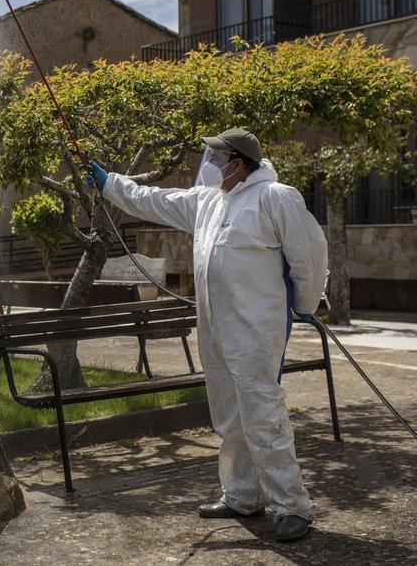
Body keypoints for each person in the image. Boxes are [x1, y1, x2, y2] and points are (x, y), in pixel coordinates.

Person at [86, 128, 327, 542]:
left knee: (261, 413)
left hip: (255, 328)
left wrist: (304, 305)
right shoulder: (207, 202)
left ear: (239, 163)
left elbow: (309, 255)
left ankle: (292, 506)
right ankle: (241, 495)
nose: (209, 165)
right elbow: (153, 200)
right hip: (215, 326)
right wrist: (111, 183)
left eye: (216, 159)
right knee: (228, 413)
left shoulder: (275, 198)